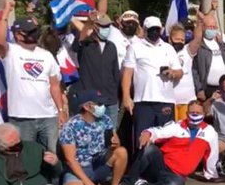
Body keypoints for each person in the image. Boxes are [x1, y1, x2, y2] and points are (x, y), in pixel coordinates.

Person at [0, 1, 67, 152]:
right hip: (22, 118)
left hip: (48, 117)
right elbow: (0, 40)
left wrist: (60, 110)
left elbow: (54, 85)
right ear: (18, 35)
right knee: (26, 156)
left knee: (50, 156)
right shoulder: (11, 52)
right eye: (30, 31)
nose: (34, 34)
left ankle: (50, 177)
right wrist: (6, 13)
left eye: (35, 30)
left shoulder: (46, 55)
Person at [124, 100, 220, 185]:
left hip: (176, 175)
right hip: (160, 166)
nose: (195, 115)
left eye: (198, 113)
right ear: (187, 114)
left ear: (204, 114)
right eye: (192, 112)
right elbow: (158, 132)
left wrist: (211, 175)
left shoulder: (210, 132)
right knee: (149, 149)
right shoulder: (177, 126)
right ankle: (126, 184)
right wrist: (148, 133)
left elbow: (212, 155)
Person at [121, 16, 183, 152]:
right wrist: (126, 97)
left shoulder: (168, 48)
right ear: (144, 30)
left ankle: (162, 170)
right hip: (143, 101)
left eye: (157, 29)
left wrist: (172, 73)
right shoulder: (135, 47)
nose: (155, 32)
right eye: (151, 30)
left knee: (165, 138)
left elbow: (180, 72)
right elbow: (127, 73)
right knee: (141, 139)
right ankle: (140, 170)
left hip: (165, 101)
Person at [60, 90, 129, 185]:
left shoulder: (105, 120)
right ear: (87, 106)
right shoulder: (71, 126)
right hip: (80, 167)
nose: (102, 107)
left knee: (121, 152)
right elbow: (70, 160)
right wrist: (87, 183)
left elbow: (116, 143)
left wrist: (115, 144)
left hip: (99, 163)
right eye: (99, 104)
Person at [71, 13, 121, 125]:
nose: (106, 29)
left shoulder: (111, 46)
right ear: (95, 26)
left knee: (111, 136)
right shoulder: (85, 45)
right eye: (103, 27)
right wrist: (88, 23)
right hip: (91, 101)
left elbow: (115, 73)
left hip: (110, 100)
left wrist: (116, 95)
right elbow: (80, 40)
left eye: (108, 26)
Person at [168, 17, 203, 121]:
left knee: (186, 129)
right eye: (177, 39)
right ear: (170, 39)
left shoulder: (187, 50)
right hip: (170, 99)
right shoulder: (164, 51)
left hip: (187, 99)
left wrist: (200, 22)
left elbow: (197, 39)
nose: (180, 42)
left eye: (182, 40)